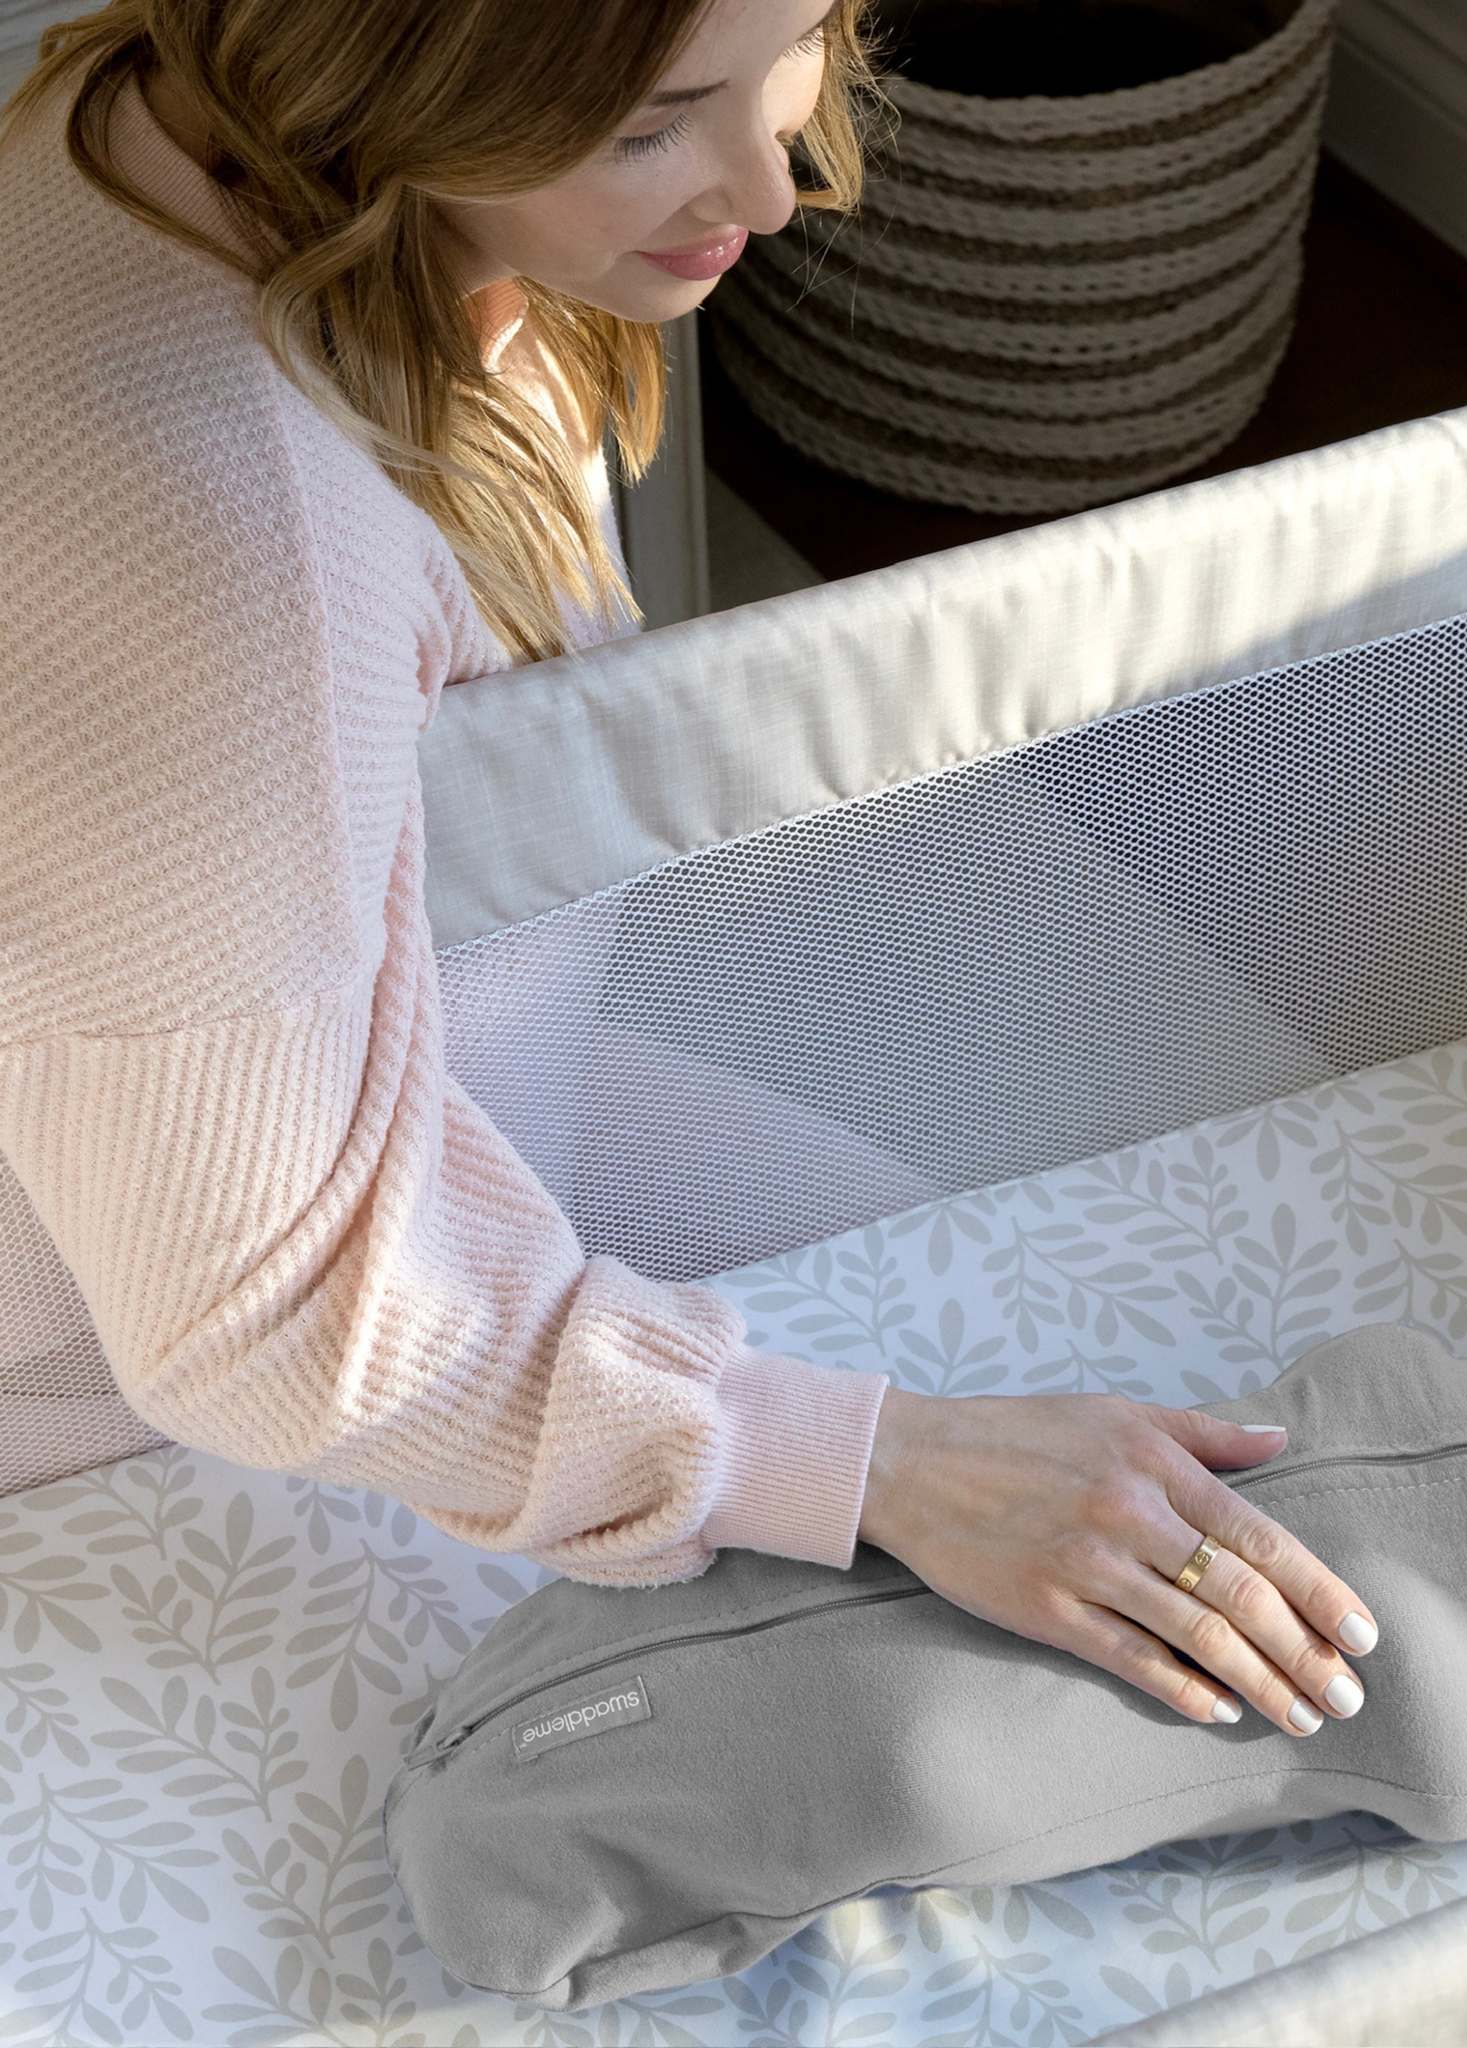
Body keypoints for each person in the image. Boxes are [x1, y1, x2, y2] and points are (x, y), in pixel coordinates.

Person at [0, 0, 1378, 1759]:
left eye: (802, 33)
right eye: (655, 119)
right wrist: (859, 1460)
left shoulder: (178, 108)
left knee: (1055, 1322)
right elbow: (257, 1310)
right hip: (148, 1372)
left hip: (451, 1108)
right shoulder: (227, 553)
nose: (779, 183)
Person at [380, 1293, 1467, 2005]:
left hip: (1115, 1716)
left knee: (911, 1764)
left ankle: (538, 1882)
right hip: (1072, 1532)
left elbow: (1457, 1764)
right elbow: (1345, 1386)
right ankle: (523, 1713)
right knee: (814, 1590)